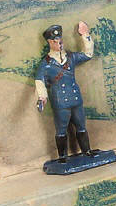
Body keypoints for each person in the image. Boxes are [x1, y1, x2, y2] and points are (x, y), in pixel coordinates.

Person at [35, 21, 97, 163]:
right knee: (61, 130)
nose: (59, 43)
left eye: (60, 40)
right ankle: (62, 157)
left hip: (76, 99)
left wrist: (85, 35)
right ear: (49, 42)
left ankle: (87, 151)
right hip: (60, 102)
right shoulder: (46, 64)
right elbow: (39, 81)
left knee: (81, 127)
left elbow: (88, 54)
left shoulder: (70, 57)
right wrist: (42, 97)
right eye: (55, 41)